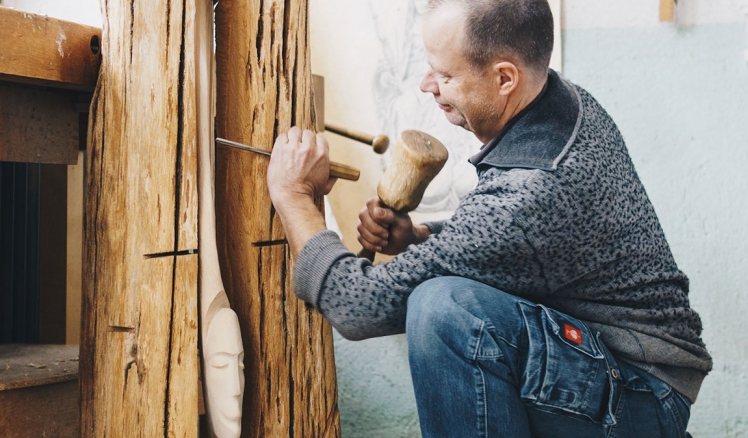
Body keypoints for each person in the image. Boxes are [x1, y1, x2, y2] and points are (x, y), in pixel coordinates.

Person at [267, 0, 712, 436]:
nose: (427, 85)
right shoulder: (565, 101)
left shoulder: (533, 190)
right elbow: (527, 250)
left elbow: (355, 306)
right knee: (448, 299)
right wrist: (420, 237)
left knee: (445, 311)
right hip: (622, 363)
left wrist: (295, 196)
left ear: (504, 78)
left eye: (444, 75)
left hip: (642, 395)